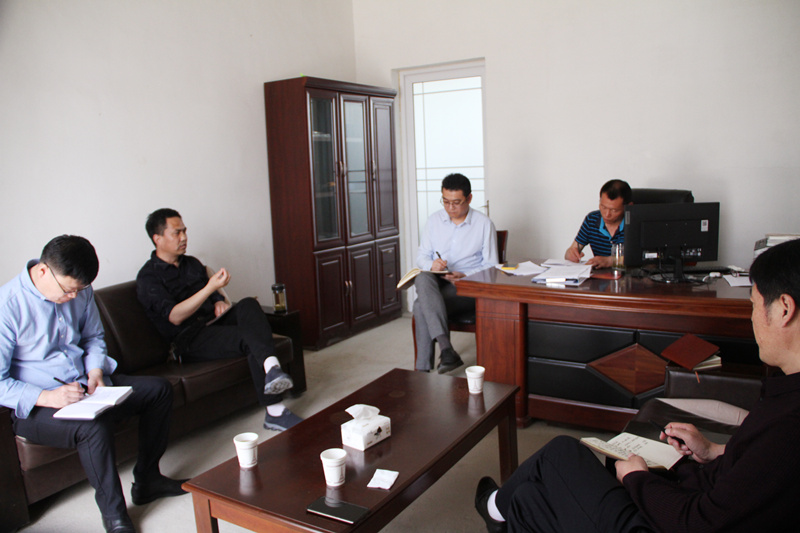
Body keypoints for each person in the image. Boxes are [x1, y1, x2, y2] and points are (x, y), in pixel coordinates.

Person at [475, 238, 800, 533]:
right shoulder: (786, 397)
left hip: (666, 521)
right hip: (696, 490)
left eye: (754, 305)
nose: (751, 317)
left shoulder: (788, 427)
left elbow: (699, 522)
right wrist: (714, 451)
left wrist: (637, 478)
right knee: (529, 499)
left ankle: (493, 508)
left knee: (561, 454)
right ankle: (500, 513)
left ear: (784, 309)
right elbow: (758, 465)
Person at [0, 236, 187, 533]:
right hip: (37, 407)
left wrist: (96, 371)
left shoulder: (81, 291)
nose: (74, 297)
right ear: (43, 270)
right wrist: (48, 397)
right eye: (68, 290)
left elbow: (93, 338)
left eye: (80, 290)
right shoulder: (7, 306)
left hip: (85, 388)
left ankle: (148, 480)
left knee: (159, 390)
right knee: (93, 427)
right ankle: (114, 516)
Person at [136, 208, 302, 432]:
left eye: (185, 231)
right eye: (177, 233)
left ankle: (272, 368)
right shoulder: (148, 277)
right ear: (157, 238)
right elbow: (174, 316)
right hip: (189, 339)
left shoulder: (191, 263)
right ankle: (275, 412)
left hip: (214, 322)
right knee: (248, 337)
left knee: (248, 304)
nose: (184, 237)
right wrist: (210, 288)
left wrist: (217, 301)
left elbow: (213, 294)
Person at [414, 174, 497, 373]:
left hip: (467, 287)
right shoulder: (434, 221)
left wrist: (465, 275)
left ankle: (422, 371)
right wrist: (432, 264)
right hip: (438, 282)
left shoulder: (484, 224)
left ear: (469, 198)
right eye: (446, 201)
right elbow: (422, 256)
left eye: (456, 202)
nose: (450, 208)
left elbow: (492, 267)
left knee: (419, 306)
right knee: (422, 277)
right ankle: (447, 351)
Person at [565, 179, 632, 269]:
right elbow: (573, 248)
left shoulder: (636, 222)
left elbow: (646, 258)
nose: (607, 214)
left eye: (614, 210)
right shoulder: (592, 219)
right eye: (603, 207)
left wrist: (610, 261)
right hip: (599, 275)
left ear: (628, 206)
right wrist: (570, 254)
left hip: (630, 276)